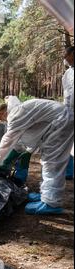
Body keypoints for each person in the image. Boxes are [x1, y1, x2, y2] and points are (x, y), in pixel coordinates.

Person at [0, 98, 74, 215]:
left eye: (2, 118)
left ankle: (51, 203)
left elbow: (8, 140)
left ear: (3, 113)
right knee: (48, 162)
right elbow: (21, 142)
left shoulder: (16, 114)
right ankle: (46, 195)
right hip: (60, 121)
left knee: (51, 164)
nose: (5, 121)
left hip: (59, 123)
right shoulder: (22, 111)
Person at [63, 46, 74, 180]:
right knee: (67, 141)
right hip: (69, 113)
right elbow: (66, 94)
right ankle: (69, 172)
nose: (65, 59)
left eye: (67, 55)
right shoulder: (67, 74)